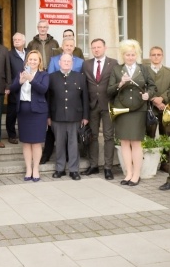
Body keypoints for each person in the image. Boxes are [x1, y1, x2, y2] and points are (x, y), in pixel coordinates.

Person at [107, 39, 156, 187]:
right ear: (123, 55)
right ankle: (128, 173)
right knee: (124, 143)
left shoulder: (144, 69)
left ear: (137, 55)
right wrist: (120, 83)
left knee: (136, 143)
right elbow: (109, 91)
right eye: (127, 54)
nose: (130, 57)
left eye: (133, 54)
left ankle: (136, 175)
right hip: (122, 110)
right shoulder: (117, 69)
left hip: (138, 109)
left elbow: (152, 87)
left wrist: (148, 94)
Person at [41, 37, 84, 164]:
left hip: (73, 106)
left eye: (71, 45)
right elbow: (50, 83)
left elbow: (82, 87)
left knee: (72, 141)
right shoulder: (54, 60)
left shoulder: (80, 62)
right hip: (57, 106)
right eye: (67, 45)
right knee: (57, 140)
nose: (69, 47)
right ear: (62, 46)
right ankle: (56, 163)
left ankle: (72, 167)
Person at [48, 54, 89, 180]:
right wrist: (48, 116)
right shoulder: (51, 77)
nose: (66, 63)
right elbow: (48, 98)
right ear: (59, 62)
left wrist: (85, 116)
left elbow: (85, 98)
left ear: (72, 63)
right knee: (59, 144)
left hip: (75, 116)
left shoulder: (80, 77)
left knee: (73, 144)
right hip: (57, 116)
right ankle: (60, 168)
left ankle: (73, 170)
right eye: (64, 61)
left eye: (69, 61)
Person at [81, 39, 118, 180]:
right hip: (91, 105)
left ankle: (108, 167)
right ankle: (94, 165)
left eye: (99, 47)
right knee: (92, 136)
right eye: (93, 47)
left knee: (109, 136)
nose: (96, 50)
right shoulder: (86, 64)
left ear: (105, 47)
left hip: (108, 104)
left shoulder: (114, 63)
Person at [10, 50, 49, 181]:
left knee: (36, 143)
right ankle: (28, 169)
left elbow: (43, 89)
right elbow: (12, 89)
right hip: (23, 111)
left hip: (38, 112)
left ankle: (36, 169)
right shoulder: (21, 73)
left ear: (39, 61)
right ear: (27, 61)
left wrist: (31, 79)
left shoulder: (44, 74)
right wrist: (20, 81)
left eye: (35, 60)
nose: (32, 61)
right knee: (26, 143)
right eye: (30, 59)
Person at [7, 32, 28, 144]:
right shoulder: (9, 54)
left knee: (24, 111)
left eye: (19, 39)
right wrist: (9, 86)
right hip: (14, 85)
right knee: (12, 112)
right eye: (14, 39)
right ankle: (11, 135)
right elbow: (7, 70)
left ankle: (24, 133)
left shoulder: (29, 52)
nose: (16, 41)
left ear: (24, 41)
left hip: (28, 86)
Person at [146, 46, 170, 139]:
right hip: (149, 108)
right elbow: (142, 87)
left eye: (158, 54)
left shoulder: (168, 72)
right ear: (150, 56)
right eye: (153, 55)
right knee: (148, 137)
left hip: (166, 108)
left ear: (162, 56)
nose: (156, 57)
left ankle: (166, 154)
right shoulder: (144, 71)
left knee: (166, 138)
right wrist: (154, 100)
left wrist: (162, 98)